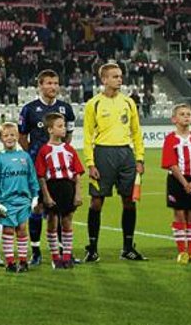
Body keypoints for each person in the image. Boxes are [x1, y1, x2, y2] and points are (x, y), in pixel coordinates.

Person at [83, 62, 146, 262]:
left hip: (125, 154)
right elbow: (87, 135)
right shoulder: (94, 103)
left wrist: (139, 158)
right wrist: (90, 163)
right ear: (104, 80)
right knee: (96, 202)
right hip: (102, 153)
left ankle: (128, 247)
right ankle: (92, 249)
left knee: (129, 201)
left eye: (120, 76)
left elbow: (137, 132)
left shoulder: (128, 102)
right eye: (115, 76)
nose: (119, 79)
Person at [17, 69, 76, 265]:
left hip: (59, 168)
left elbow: (68, 136)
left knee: (60, 208)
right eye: (48, 83)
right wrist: (34, 154)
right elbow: (22, 136)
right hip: (36, 166)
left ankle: (62, 252)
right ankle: (36, 252)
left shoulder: (65, 109)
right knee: (37, 207)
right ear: (40, 85)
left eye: (55, 83)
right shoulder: (29, 109)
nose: (52, 87)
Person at [35, 112, 84, 269]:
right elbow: (41, 176)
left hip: (67, 187)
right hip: (52, 186)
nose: (64, 129)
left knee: (67, 221)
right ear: (50, 129)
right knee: (52, 221)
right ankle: (55, 257)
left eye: (64, 126)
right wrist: (46, 196)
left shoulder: (69, 149)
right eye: (60, 126)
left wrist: (78, 193)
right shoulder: (44, 150)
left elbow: (76, 174)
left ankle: (67, 256)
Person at [0, 122, 39, 273]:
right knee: (9, 230)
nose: (9, 138)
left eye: (12, 135)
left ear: (17, 136)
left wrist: (35, 195)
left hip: (23, 200)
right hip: (6, 201)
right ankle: (10, 261)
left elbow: (32, 177)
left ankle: (23, 261)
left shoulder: (25, 157)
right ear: (1, 139)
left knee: (23, 229)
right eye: (6, 135)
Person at [160, 103, 191, 265]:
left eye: (188, 114)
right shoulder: (170, 139)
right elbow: (171, 163)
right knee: (179, 214)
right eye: (182, 114)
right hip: (176, 180)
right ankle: (182, 252)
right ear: (174, 119)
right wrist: (185, 183)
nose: (186, 116)